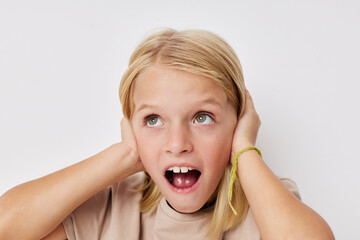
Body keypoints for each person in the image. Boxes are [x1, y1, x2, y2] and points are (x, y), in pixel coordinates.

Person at [0, 28, 334, 240]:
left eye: (202, 117)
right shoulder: (113, 210)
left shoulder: (264, 204)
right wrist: (126, 155)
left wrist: (244, 150)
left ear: (238, 121)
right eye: (153, 120)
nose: (177, 144)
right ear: (131, 126)